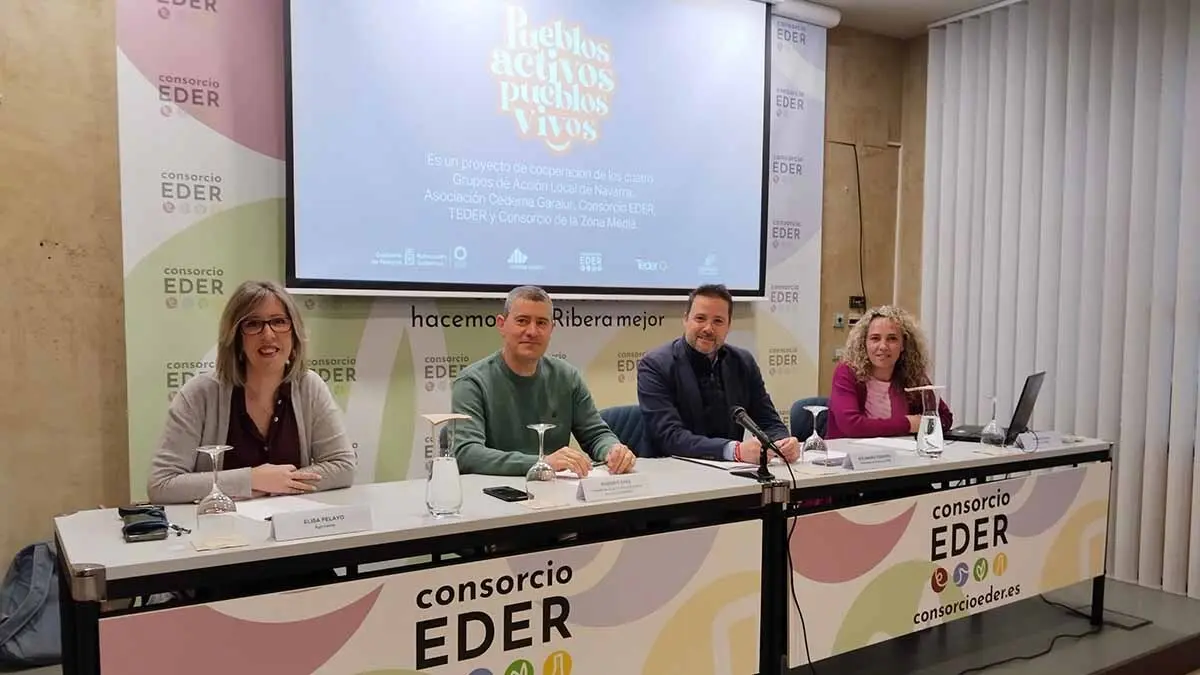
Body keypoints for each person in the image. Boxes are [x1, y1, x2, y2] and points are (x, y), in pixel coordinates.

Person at [147, 280, 357, 504]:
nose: (268, 334)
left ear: (294, 333)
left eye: (279, 321)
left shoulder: (309, 386)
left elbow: (343, 466)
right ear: (236, 337)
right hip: (221, 523)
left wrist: (282, 482)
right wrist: (252, 479)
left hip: (291, 521)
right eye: (253, 324)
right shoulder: (199, 394)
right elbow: (162, 484)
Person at [451, 286, 636, 476]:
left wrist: (612, 450)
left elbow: (596, 434)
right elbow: (466, 453)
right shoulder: (472, 382)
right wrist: (541, 463)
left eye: (541, 323)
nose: (532, 331)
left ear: (551, 329)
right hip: (493, 490)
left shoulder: (567, 377)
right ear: (501, 324)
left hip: (555, 490)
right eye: (522, 321)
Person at [638, 284, 800, 463]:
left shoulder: (743, 362)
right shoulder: (655, 365)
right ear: (685, 320)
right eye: (700, 318)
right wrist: (733, 451)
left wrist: (783, 442)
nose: (708, 328)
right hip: (670, 469)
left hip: (730, 472)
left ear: (728, 326)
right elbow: (669, 437)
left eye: (718, 321)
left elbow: (768, 421)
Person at [827, 305, 952, 439]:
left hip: (898, 450)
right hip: (847, 451)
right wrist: (908, 424)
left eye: (892, 339)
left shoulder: (911, 374)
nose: (883, 346)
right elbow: (851, 425)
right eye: (875, 338)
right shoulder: (847, 372)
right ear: (864, 343)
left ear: (903, 345)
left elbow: (944, 418)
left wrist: (923, 423)